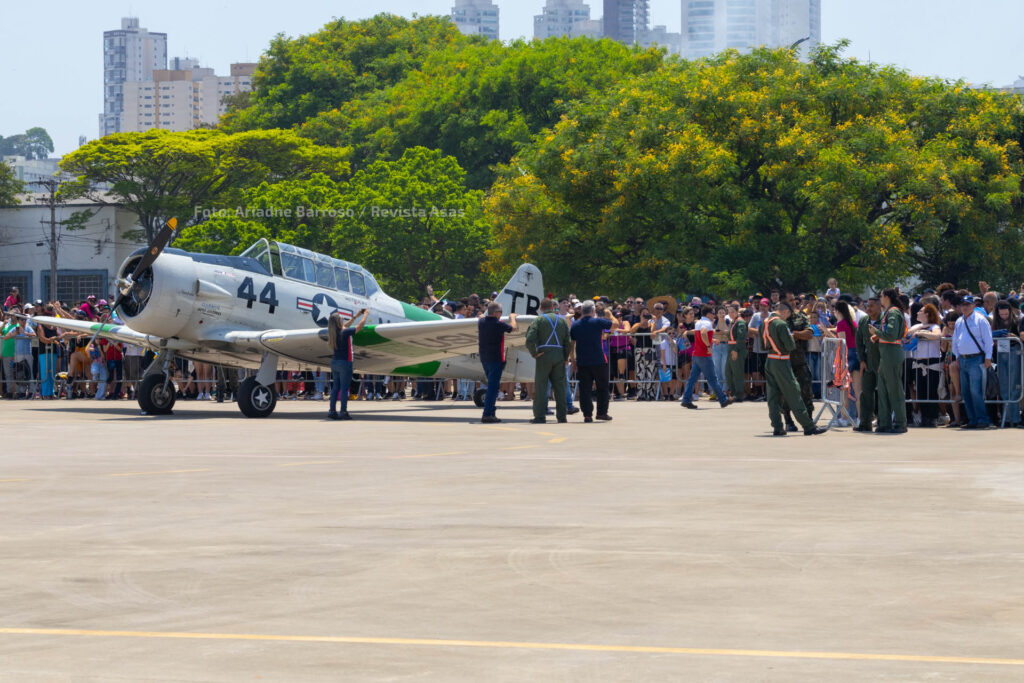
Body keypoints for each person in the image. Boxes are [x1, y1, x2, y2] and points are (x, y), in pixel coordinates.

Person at [762, 302, 827, 436]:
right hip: (782, 361)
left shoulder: (765, 322)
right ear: (785, 312)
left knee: (773, 396)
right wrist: (791, 337)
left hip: (770, 359)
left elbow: (764, 344)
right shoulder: (781, 324)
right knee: (794, 393)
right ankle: (808, 426)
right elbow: (790, 346)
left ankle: (777, 426)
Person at [950, 295, 993, 429]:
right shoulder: (959, 321)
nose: (965, 307)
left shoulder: (981, 320)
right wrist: (957, 356)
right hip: (963, 359)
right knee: (966, 391)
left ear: (973, 306)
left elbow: (988, 340)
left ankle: (982, 419)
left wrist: (988, 358)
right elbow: (955, 340)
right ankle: (972, 419)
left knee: (976, 390)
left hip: (976, 358)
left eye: (968, 304)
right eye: (963, 304)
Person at [525, 297, 570, 424]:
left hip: (543, 355)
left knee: (541, 387)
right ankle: (562, 417)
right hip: (559, 355)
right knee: (560, 387)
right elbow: (568, 341)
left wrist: (534, 353)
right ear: (552, 307)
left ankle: (539, 416)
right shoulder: (562, 321)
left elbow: (529, 339)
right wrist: (565, 357)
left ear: (540, 308)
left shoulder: (538, 320)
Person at [570, 300, 616, 423]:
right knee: (602, 388)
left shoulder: (575, 325)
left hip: (582, 360)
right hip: (598, 360)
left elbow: (572, 344)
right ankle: (601, 412)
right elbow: (615, 325)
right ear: (593, 311)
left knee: (585, 389)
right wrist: (610, 314)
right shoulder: (598, 322)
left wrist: (573, 360)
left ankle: (587, 414)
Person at [871, 288, 909, 433]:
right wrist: (878, 336)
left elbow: (892, 334)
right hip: (886, 355)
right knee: (883, 391)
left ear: (886, 297)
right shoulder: (890, 312)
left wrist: (876, 332)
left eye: (881, 296)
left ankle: (900, 423)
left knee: (894, 390)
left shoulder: (893, 312)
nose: (880, 299)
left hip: (892, 354)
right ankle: (884, 422)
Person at [680, 304, 732, 410]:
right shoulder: (707, 323)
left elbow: (700, 334)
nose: (714, 315)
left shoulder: (699, 322)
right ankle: (723, 400)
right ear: (708, 314)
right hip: (704, 355)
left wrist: (711, 340)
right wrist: (708, 345)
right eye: (713, 313)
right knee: (713, 379)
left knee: (692, 379)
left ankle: (686, 400)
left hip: (697, 354)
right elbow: (703, 333)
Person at [477, 301, 517, 423]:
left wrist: (482, 315)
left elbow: (481, 317)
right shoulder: (498, 324)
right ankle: (487, 414)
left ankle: (491, 413)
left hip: (484, 358)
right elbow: (513, 328)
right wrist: (512, 317)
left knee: (491, 386)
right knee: (493, 389)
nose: (501, 314)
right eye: (500, 312)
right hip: (496, 359)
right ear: (495, 313)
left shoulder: (481, 322)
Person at [327, 308, 368, 420]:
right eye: (341, 318)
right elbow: (359, 327)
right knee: (344, 389)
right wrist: (365, 316)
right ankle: (343, 412)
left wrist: (357, 315)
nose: (342, 318)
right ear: (338, 321)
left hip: (335, 362)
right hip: (345, 362)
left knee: (335, 388)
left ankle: (332, 411)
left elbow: (346, 324)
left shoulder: (334, 332)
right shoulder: (345, 332)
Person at [907, 303, 944, 427]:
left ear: (927, 314)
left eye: (921, 311)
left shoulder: (935, 326)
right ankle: (924, 417)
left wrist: (923, 332)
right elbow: (909, 332)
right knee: (921, 391)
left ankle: (932, 417)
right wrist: (922, 328)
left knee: (931, 390)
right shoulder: (918, 326)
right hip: (919, 361)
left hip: (932, 361)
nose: (917, 313)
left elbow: (937, 335)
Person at [991, 300, 1022, 428]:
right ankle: (1007, 418)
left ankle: (1015, 418)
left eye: (1006, 314)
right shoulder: (994, 323)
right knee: (1004, 386)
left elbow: (1020, 337)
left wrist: (1013, 336)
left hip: (1014, 350)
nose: (1004, 316)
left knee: (1014, 385)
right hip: (1001, 352)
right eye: (1001, 314)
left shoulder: (1017, 321)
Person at [854, 297, 882, 432]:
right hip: (868, 362)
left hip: (881, 361)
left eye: (871, 306)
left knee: (883, 393)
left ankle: (883, 422)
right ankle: (865, 423)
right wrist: (862, 360)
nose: (868, 309)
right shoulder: (864, 321)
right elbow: (858, 341)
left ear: (879, 306)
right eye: (867, 306)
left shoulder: (884, 320)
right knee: (866, 393)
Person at [725, 305, 748, 401]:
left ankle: (738, 394)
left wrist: (736, 350)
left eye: (732, 311)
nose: (730, 314)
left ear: (737, 312)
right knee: (728, 372)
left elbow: (741, 337)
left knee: (737, 373)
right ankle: (734, 392)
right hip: (730, 348)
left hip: (736, 349)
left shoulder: (741, 322)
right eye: (729, 312)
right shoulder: (733, 322)